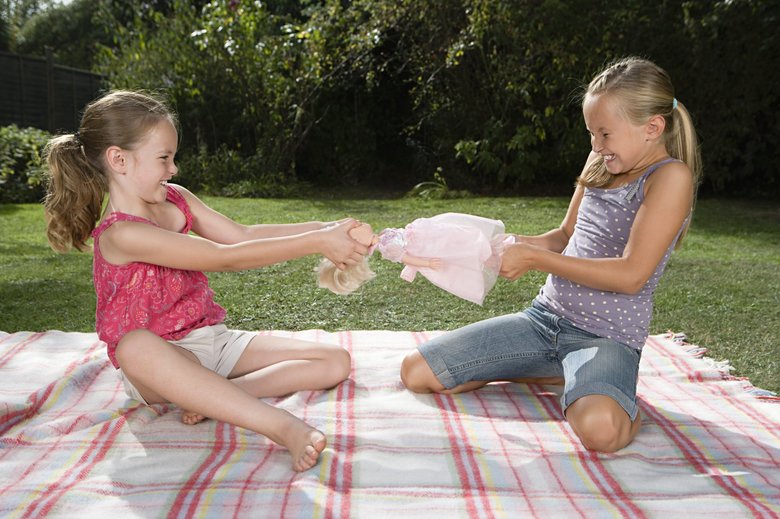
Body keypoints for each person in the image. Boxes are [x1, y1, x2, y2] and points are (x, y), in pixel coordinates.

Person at [42, 90, 369, 472]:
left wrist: (327, 228)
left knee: (333, 361)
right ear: (119, 159)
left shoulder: (176, 199)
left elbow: (242, 235)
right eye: (164, 158)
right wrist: (316, 242)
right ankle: (282, 427)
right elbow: (223, 258)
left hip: (211, 341)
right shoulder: (121, 235)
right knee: (133, 346)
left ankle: (215, 398)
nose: (173, 169)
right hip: (164, 361)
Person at [400, 57, 702, 453]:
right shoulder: (600, 162)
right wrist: (503, 245)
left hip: (607, 337)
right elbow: (563, 236)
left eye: (605, 134)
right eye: (592, 133)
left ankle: (618, 397)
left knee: (600, 433)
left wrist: (535, 260)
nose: (596, 145)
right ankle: (558, 370)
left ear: (652, 127)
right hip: (544, 320)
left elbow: (632, 274)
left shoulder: (669, 177)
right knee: (417, 371)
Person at [317, 213, 515, 305]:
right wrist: (427, 263)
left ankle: (492, 246)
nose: (356, 223)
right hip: (427, 247)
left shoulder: (383, 238)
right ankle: (494, 253)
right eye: (354, 230)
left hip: (427, 235)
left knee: (458, 235)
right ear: (356, 244)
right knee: (457, 248)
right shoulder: (387, 248)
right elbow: (406, 258)